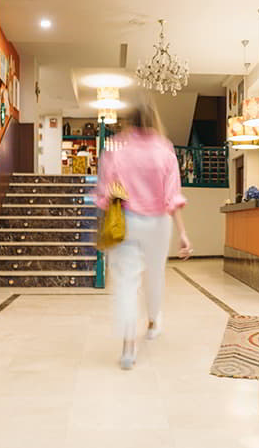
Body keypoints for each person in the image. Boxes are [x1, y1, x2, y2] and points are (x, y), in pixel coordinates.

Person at [95, 99, 192, 370]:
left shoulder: (116, 148)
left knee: (126, 283)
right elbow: (172, 196)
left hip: (126, 221)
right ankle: (152, 322)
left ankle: (128, 347)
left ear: (129, 120)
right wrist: (183, 233)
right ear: (154, 120)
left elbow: (105, 192)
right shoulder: (164, 149)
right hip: (159, 223)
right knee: (155, 274)